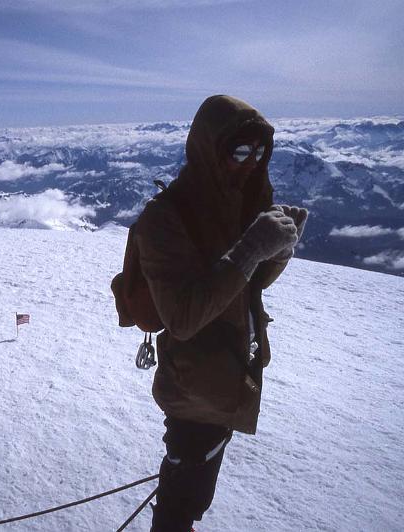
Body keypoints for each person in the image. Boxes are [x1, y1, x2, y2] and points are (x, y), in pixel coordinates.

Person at [134, 95, 308, 531]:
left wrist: (279, 251)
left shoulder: (238, 203)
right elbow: (184, 316)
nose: (252, 162)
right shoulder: (164, 219)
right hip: (195, 391)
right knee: (181, 505)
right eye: (240, 151)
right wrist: (252, 248)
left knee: (188, 498)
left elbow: (245, 289)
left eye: (261, 151)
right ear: (210, 149)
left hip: (228, 379)